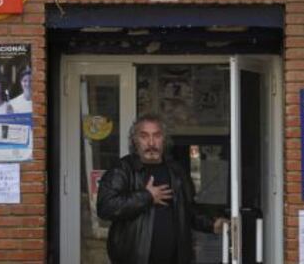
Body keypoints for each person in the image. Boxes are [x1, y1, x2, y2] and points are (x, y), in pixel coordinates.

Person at [97, 113, 227, 264]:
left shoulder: (176, 171)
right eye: (144, 136)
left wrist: (211, 224)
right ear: (135, 140)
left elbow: (187, 211)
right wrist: (147, 196)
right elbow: (105, 207)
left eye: (157, 136)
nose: (151, 142)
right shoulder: (123, 169)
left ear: (164, 140)